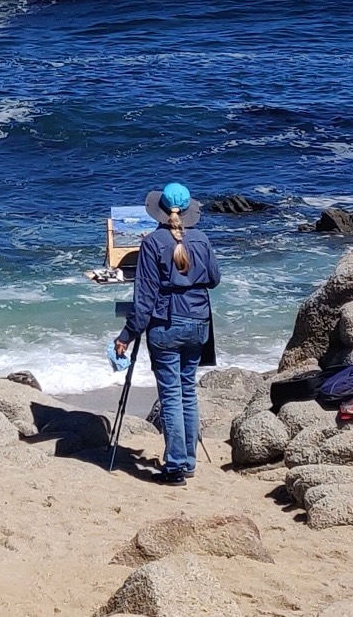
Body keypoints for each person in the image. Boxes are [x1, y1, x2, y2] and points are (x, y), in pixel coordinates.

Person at [115, 182, 220, 485]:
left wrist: (127, 335)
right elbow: (214, 279)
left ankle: (175, 467)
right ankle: (187, 461)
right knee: (187, 390)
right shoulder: (201, 239)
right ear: (188, 212)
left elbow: (144, 299)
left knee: (171, 394)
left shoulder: (151, 243)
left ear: (159, 211)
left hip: (166, 323)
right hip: (199, 322)